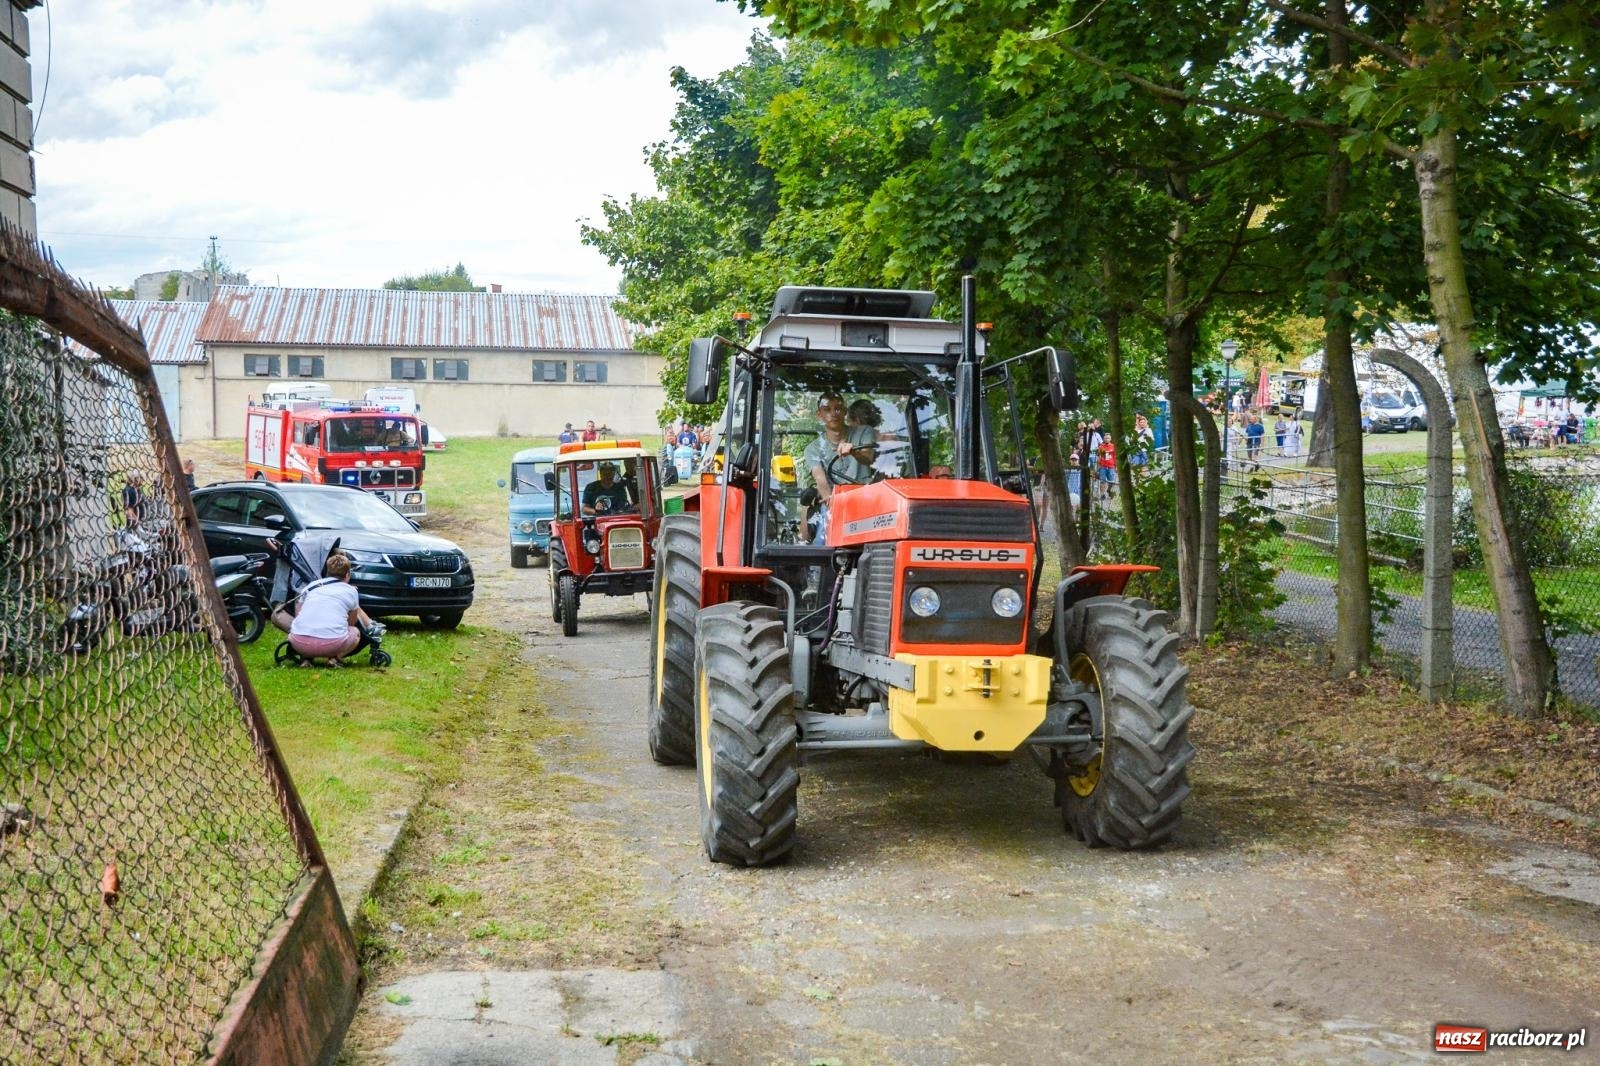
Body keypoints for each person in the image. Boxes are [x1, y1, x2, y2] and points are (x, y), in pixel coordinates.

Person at [279, 552, 377, 667]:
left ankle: (306, 659)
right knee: (355, 632)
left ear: (327, 572)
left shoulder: (311, 586)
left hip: (299, 642)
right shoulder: (351, 591)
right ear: (347, 575)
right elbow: (352, 622)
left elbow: (299, 614)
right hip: (333, 643)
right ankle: (335, 659)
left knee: (303, 627)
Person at [803, 392, 874, 543]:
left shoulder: (864, 432)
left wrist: (854, 452)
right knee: (823, 538)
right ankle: (819, 564)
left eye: (837, 409)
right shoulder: (813, 449)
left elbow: (868, 458)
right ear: (819, 414)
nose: (833, 413)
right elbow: (821, 480)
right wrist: (832, 505)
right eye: (827, 409)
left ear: (844, 412)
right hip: (836, 501)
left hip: (866, 498)